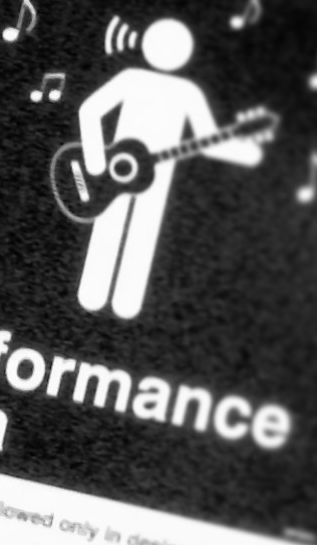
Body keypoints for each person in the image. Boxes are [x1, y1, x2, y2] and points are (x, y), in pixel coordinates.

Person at [74, 17, 261, 320]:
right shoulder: (131, 78)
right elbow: (89, 110)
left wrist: (247, 152)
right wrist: (96, 161)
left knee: (143, 234)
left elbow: (206, 140)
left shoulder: (188, 92)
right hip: (113, 171)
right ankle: (92, 296)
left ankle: (126, 306)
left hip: (157, 176)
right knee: (109, 228)